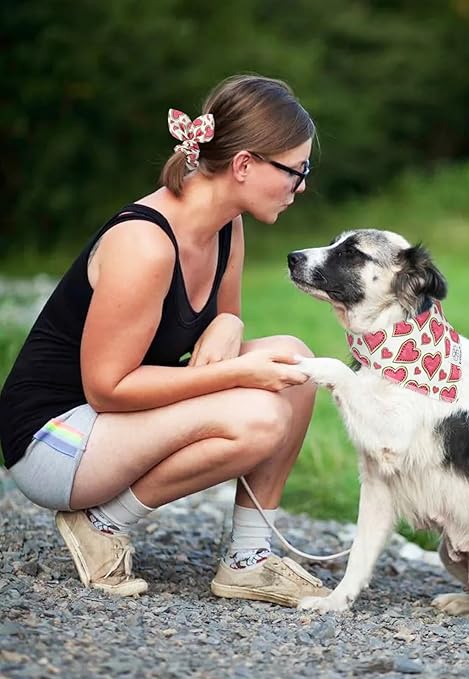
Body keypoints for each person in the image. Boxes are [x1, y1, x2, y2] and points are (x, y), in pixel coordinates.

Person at [0, 74, 330, 604]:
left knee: (295, 363)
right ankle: (101, 523)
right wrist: (238, 374)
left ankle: (249, 558)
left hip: (114, 422)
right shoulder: (145, 243)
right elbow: (106, 388)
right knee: (260, 418)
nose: (302, 185)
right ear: (245, 165)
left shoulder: (226, 226)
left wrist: (229, 324)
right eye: (297, 170)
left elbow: (224, 321)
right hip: (55, 437)